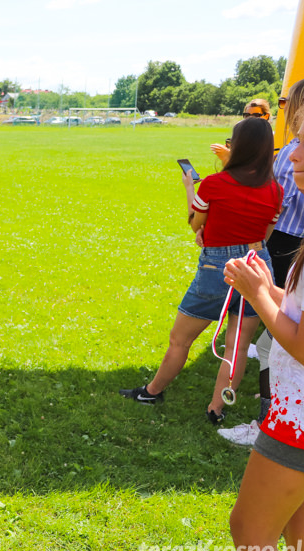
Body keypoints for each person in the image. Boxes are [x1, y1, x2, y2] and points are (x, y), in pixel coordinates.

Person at [120, 117, 283, 424]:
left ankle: (152, 391)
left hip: (217, 266)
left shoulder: (212, 183)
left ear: (238, 147)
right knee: (238, 346)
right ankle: (216, 409)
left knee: (180, 339)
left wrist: (188, 189)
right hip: (258, 264)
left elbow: (196, 223)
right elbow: (265, 234)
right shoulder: (276, 190)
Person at [225, 103, 304, 551]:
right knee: (301, 537)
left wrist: (258, 294)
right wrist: (275, 289)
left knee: (251, 533)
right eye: (296, 139)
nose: (293, 154)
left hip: (302, 415)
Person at [219, 79, 304, 446]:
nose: (292, 155)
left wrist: (259, 294)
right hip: (287, 247)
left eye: (286, 100)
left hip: (298, 432)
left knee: (271, 346)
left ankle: (266, 422)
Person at [210, 99, 272, 166]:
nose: (250, 118)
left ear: (266, 116)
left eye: (256, 115)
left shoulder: (272, 138)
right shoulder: (242, 136)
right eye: (247, 115)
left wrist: (228, 154)